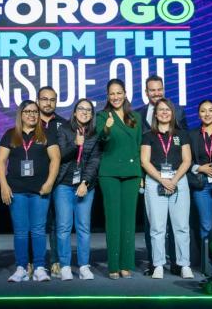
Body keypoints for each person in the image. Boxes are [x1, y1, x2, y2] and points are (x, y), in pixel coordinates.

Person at [0, 100, 60, 282]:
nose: (32, 115)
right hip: (17, 190)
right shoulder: (10, 134)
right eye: (27, 112)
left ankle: (39, 267)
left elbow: (55, 159)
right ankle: (21, 268)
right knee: (21, 231)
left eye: (35, 112)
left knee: (38, 230)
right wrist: (4, 186)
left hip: (40, 190)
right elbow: (0, 161)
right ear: (20, 115)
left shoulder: (47, 134)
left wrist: (49, 183)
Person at [135, 75, 187, 275]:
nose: (156, 93)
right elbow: (138, 151)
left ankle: (178, 263)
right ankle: (154, 263)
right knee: (154, 224)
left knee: (178, 223)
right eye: (152, 90)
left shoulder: (178, 112)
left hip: (176, 176)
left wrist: (176, 177)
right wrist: (142, 176)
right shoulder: (138, 115)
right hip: (150, 176)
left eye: (159, 89)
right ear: (146, 92)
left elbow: (184, 148)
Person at [96, 78, 142, 279]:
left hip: (132, 172)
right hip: (110, 172)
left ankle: (126, 264)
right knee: (113, 219)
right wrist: (107, 127)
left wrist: (141, 174)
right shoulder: (102, 116)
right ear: (107, 96)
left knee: (129, 220)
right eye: (112, 93)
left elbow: (139, 146)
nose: (115, 97)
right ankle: (113, 266)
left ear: (125, 94)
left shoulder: (135, 117)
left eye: (119, 92)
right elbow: (102, 139)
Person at [54, 99, 101, 280]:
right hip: (64, 185)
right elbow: (60, 155)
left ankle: (83, 266)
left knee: (83, 227)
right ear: (74, 112)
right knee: (63, 227)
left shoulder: (94, 134)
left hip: (85, 187)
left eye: (89, 110)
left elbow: (94, 161)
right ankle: (65, 266)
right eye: (81, 109)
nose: (85, 112)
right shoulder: (64, 129)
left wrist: (85, 182)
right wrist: (75, 143)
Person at [37, 86, 67, 278]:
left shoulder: (64, 124)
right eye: (44, 99)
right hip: (35, 180)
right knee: (37, 224)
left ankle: (55, 261)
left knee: (57, 224)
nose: (48, 103)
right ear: (38, 101)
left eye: (52, 99)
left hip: (59, 180)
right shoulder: (30, 121)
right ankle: (34, 262)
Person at [189, 100, 212, 241]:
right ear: (198, 115)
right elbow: (185, 159)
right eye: (203, 111)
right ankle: (207, 256)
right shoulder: (192, 134)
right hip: (201, 183)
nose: (207, 114)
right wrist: (199, 168)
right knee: (205, 225)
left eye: (211, 110)